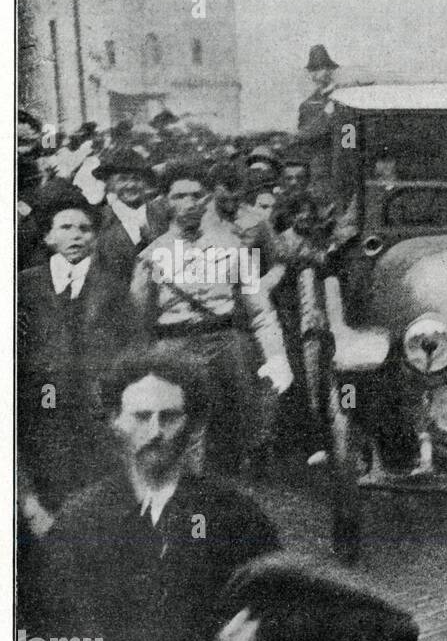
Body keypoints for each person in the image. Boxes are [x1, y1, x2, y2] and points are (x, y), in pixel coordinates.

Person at [35, 348, 325, 641]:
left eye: (169, 417)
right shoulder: (81, 524)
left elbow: (287, 608)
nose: (155, 432)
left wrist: (260, 636)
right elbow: (64, 636)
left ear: (194, 426)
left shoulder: (237, 516)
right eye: (141, 416)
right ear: (115, 421)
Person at [129, 161, 293, 475]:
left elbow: (260, 311)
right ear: (165, 201)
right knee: (179, 433)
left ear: (208, 200)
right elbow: (137, 321)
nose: (189, 203)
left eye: (196, 195)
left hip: (225, 346)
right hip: (173, 348)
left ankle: (221, 508)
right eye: (179, 196)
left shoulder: (232, 248)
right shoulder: (151, 256)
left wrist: (276, 356)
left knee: (229, 432)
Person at [18, 184, 144, 522]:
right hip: (41, 407)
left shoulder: (113, 289)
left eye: (85, 228)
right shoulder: (25, 288)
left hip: (95, 411)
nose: (77, 236)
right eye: (66, 227)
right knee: (45, 487)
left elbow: (132, 348)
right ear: (48, 237)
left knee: (94, 496)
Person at [93, 147, 160, 288]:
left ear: (145, 182)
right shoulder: (98, 220)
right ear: (109, 183)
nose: (130, 185)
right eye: (122, 179)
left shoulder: (160, 213)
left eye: (136, 179)